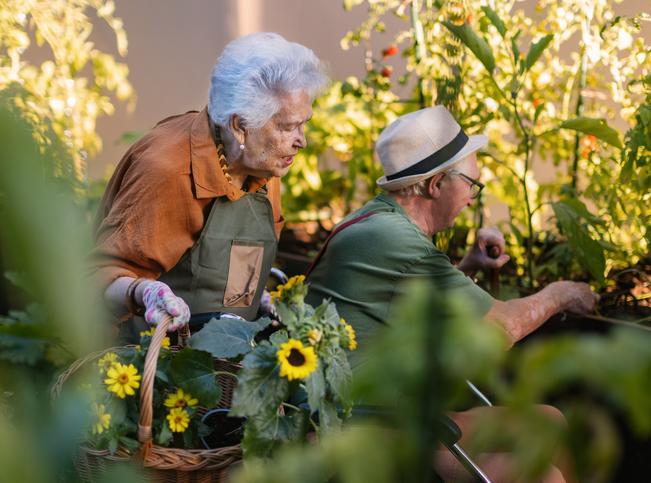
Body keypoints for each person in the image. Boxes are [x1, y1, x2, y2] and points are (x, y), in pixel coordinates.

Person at [305, 106, 600, 482]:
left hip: (387, 414)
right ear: (437, 184)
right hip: (357, 428)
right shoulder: (395, 240)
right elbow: (502, 329)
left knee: (550, 424)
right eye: (472, 185)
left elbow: (400, 300)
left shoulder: (379, 222)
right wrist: (561, 293)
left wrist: (469, 266)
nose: (474, 197)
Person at [86, 33, 330, 345]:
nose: (301, 140)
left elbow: (235, 260)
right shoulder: (169, 171)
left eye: (303, 123)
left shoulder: (265, 160)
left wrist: (255, 299)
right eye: (287, 127)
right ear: (240, 125)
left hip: (224, 360)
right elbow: (96, 279)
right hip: (150, 365)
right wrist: (142, 292)